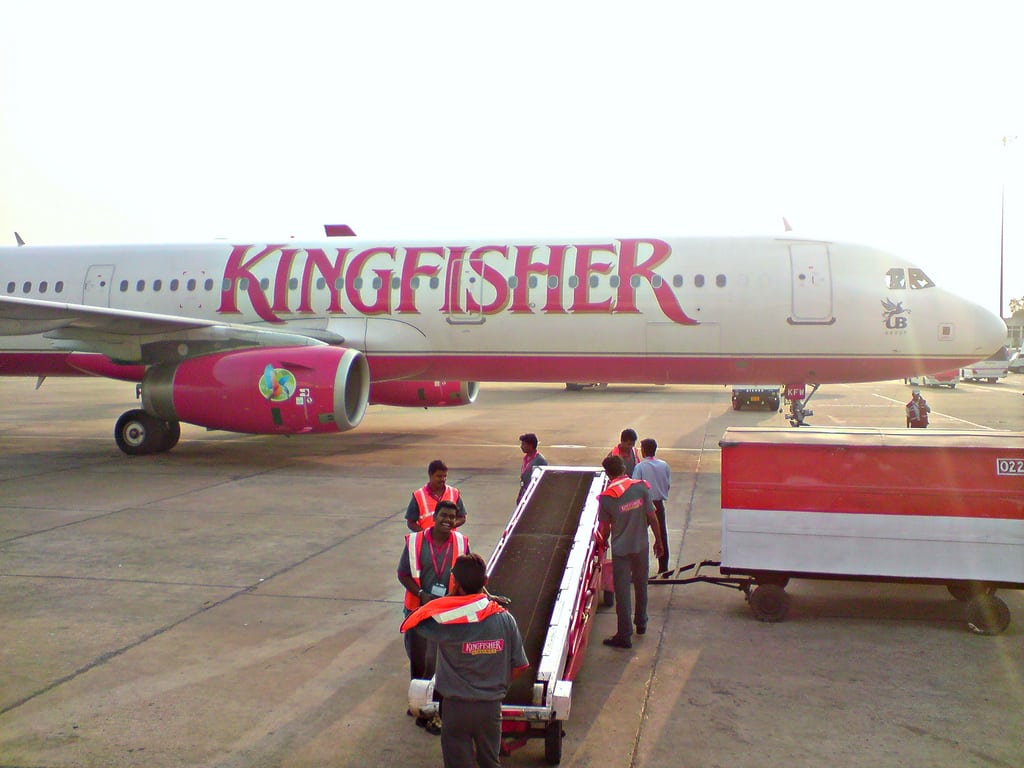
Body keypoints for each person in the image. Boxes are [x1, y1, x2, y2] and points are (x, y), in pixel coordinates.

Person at [401, 553, 529, 768]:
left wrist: (449, 601)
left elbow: (415, 622)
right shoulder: (505, 619)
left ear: (455, 582)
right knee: (490, 762)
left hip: (455, 708)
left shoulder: (446, 622)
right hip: (490, 707)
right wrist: (499, 687)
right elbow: (521, 666)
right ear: (485, 583)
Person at [397, 500, 471, 734]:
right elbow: (402, 574)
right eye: (444, 515)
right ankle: (419, 708)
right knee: (419, 661)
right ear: (435, 516)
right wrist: (421, 594)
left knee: (440, 662)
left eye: (452, 516)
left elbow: (468, 574)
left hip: (445, 613)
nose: (448, 520)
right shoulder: (416, 541)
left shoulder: (461, 542)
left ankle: (433, 710)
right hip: (419, 610)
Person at [597, 454, 665, 648]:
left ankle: (624, 634)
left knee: (623, 592)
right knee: (641, 585)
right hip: (641, 546)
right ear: (624, 469)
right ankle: (641, 623)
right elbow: (653, 518)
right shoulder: (641, 487)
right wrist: (658, 542)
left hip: (621, 550)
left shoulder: (607, 498)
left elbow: (604, 528)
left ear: (608, 474)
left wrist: (601, 543)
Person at [632, 438, 671, 574]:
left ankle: (638, 568)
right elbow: (667, 485)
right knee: (661, 535)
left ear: (643, 451)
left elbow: (635, 487)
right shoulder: (664, 465)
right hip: (659, 504)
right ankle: (663, 568)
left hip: (644, 505)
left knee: (638, 536)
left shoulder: (640, 467)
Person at [406, 459, 467, 532]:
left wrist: (450, 525)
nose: (443, 479)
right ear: (430, 474)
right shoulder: (418, 495)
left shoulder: (454, 493)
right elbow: (411, 522)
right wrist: (425, 534)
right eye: (439, 476)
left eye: (445, 476)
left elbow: (462, 517)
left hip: (449, 539)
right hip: (427, 541)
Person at [517, 432, 548, 503]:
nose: (521, 446)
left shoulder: (540, 461)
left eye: (523, 444)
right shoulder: (526, 458)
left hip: (533, 497)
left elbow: (542, 482)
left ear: (530, 445)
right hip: (525, 493)